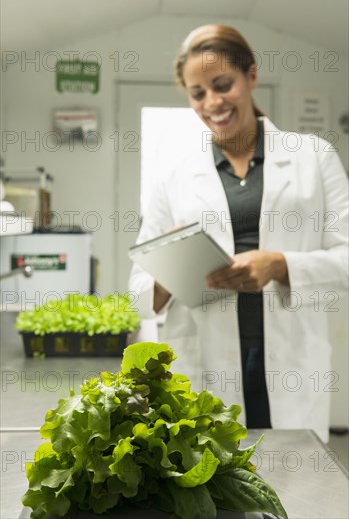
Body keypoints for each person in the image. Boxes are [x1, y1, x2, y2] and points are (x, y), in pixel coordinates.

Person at [128, 24, 348, 442]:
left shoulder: (314, 158)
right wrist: (170, 269)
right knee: (216, 490)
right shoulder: (173, 175)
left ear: (251, 77)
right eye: (197, 93)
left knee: (293, 486)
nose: (212, 102)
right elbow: (138, 290)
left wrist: (281, 265)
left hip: (292, 360)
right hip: (206, 359)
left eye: (222, 84)